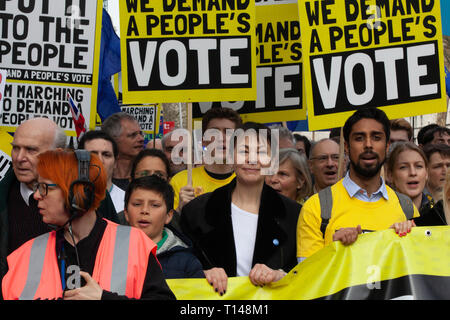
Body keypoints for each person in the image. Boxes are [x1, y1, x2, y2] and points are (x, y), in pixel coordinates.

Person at [1, 149, 176, 300]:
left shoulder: (133, 244)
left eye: (45, 187)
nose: (37, 195)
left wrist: (104, 298)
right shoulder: (25, 256)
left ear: (79, 194)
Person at [180, 122, 300, 296]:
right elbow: (179, 266)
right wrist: (202, 273)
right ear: (230, 157)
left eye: (260, 152)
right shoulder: (197, 211)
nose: (252, 159)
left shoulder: (294, 214)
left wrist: (279, 275)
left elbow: (306, 272)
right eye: (244, 151)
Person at [297, 108, 419, 261]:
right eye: (359, 138)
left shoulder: (406, 208)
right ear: (347, 147)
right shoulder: (316, 208)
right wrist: (334, 250)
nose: (368, 145)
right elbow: (307, 278)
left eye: (376, 137)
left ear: (387, 146)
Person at [0, 117, 66, 280]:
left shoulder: (88, 198)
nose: (19, 157)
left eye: (31, 150)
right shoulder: (4, 197)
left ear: (56, 155)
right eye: (16, 148)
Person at [123, 175, 204, 279]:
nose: (144, 210)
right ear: (126, 213)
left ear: (168, 216)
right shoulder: (110, 253)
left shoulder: (186, 262)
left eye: (155, 205)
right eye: (137, 204)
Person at [170, 107, 242, 212]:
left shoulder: (247, 182)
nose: (221, 138)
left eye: (228, 132)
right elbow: (167, 226)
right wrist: (180, 210)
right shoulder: (181, 181)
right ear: (203, 140)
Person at [78, 130, 122, 222]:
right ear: (79, 160)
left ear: (115, 162)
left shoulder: (126, 201)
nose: (100, 160)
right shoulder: (68, 199)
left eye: (106, 155)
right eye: (93, 155)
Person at [101, 112, 145, 191]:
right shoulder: (97, 181)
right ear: (113, 140)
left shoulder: (146, 178)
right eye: (133, 135)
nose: (141, 139)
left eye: (141, 134)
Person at [386, 142, 429, 212]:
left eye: (418, 166)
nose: (413, 173)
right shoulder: (382, 213)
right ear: (390, 175)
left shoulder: (442, 212)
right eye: (403, 167)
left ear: (426, 173)